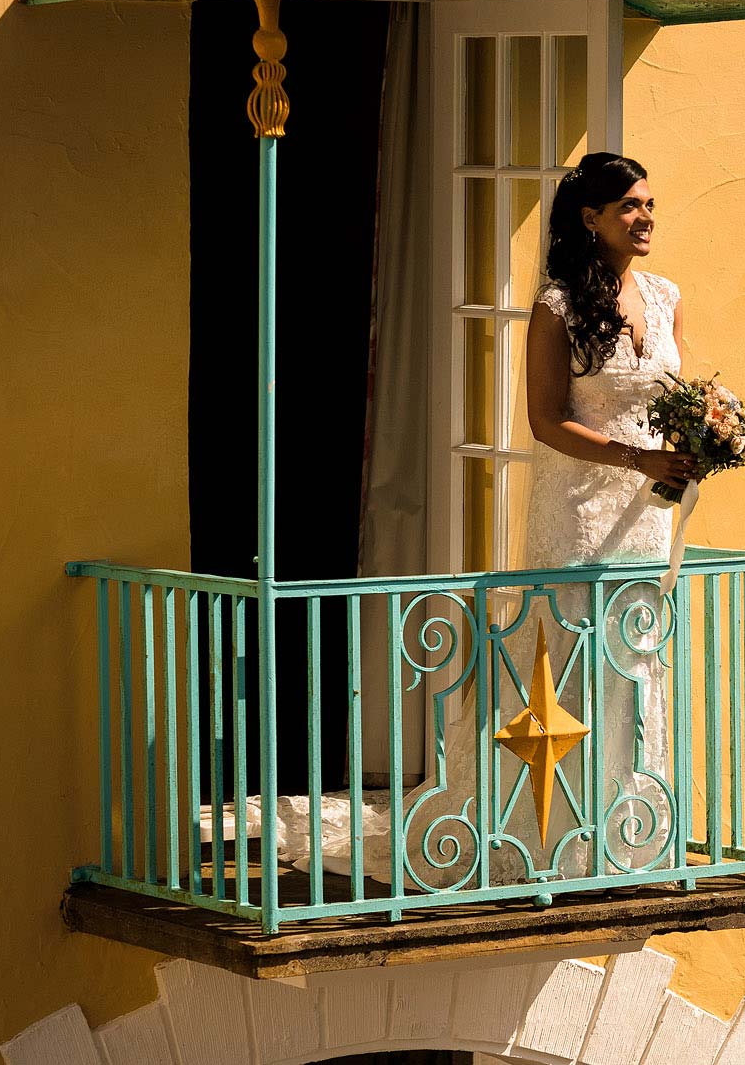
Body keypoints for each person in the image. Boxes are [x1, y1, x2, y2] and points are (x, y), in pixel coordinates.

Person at [274, 152, 693, 889]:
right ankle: (543, 832)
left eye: (649, 203)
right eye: (629, 205)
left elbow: (674, 399)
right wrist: (634, 457)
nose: (645, 216)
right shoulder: (557, 306)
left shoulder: (666, 296)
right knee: (562, 664)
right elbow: (544, 420)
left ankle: (625, 830)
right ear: (591, 218)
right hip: (581, 518)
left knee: (635, 662)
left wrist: (701, 439)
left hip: (646, 517)